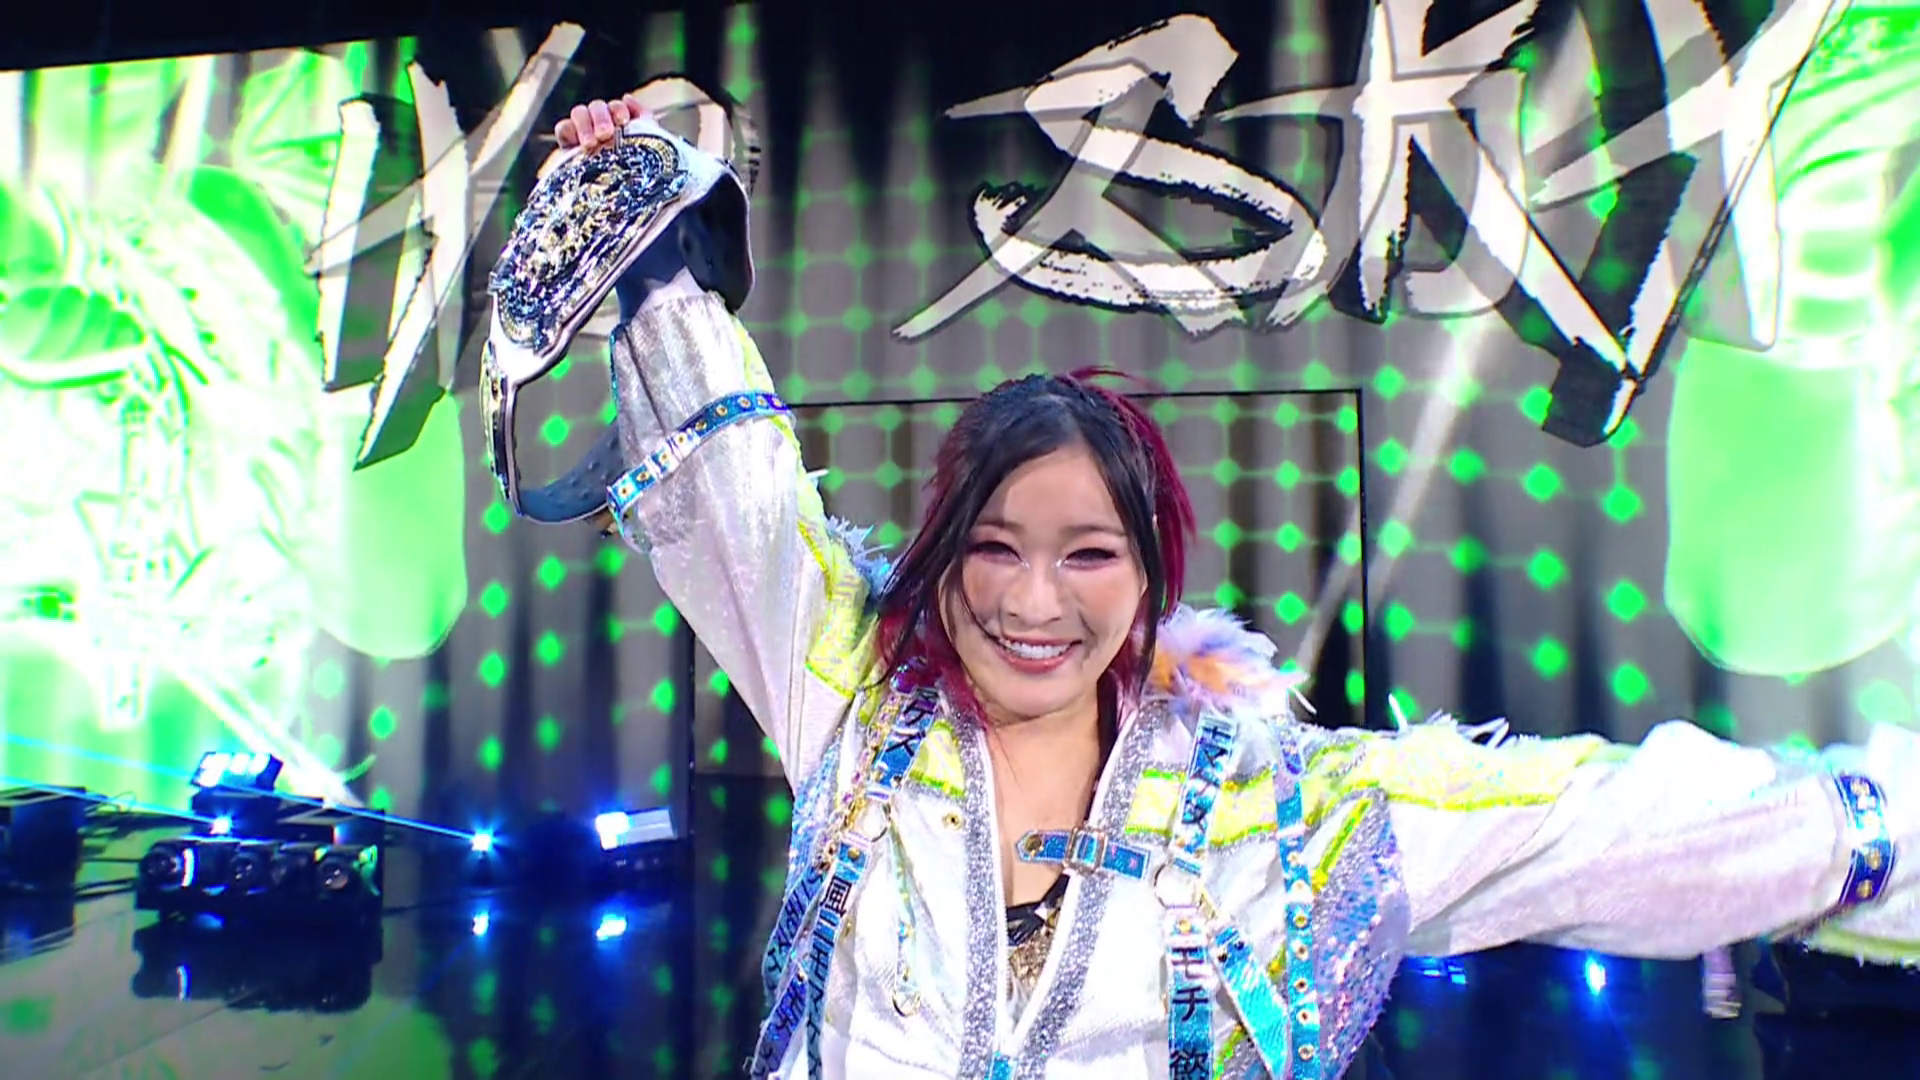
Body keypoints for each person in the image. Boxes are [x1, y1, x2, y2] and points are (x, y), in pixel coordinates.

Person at [488, 96, 1920, 1080]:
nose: (1032, 601)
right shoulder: (856, 710)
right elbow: (735, 490)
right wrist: (648, 245)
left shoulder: (1279, 813)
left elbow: (1600, 826)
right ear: (943, 556)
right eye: (994, 546)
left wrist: (1880, 833)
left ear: (1148, 573)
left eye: (1087, 553)